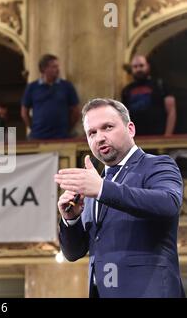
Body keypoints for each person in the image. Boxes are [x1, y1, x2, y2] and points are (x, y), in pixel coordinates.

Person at [55, 98, 185, 298]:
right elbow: (73, 254)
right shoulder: (95, 185)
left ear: (130, 128)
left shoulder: (158, 165)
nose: (99, 138)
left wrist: (102, 189)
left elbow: (168, 203)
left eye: (107, 127)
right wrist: (70, 219)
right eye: (92, 133)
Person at [21, 54, 80, 140]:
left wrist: (66, 128)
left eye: (57, 66)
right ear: (44, 69)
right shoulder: (32, 87)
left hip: (61, 136)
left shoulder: (66, 86)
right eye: (54, 67)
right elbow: (24, 112)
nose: (57, 70)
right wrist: (33, 128)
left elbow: (75, 111)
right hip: (38, 136)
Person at [121, 55, 176, 136]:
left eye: (141, 65)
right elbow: (124, 116)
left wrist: (167, 137)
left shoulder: (160, 85)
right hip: (135, 138)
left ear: (148, 66)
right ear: (131, 69)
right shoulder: (126, 90)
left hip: (158, 137)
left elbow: (171, 111)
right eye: (135, 67)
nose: (138, 69)